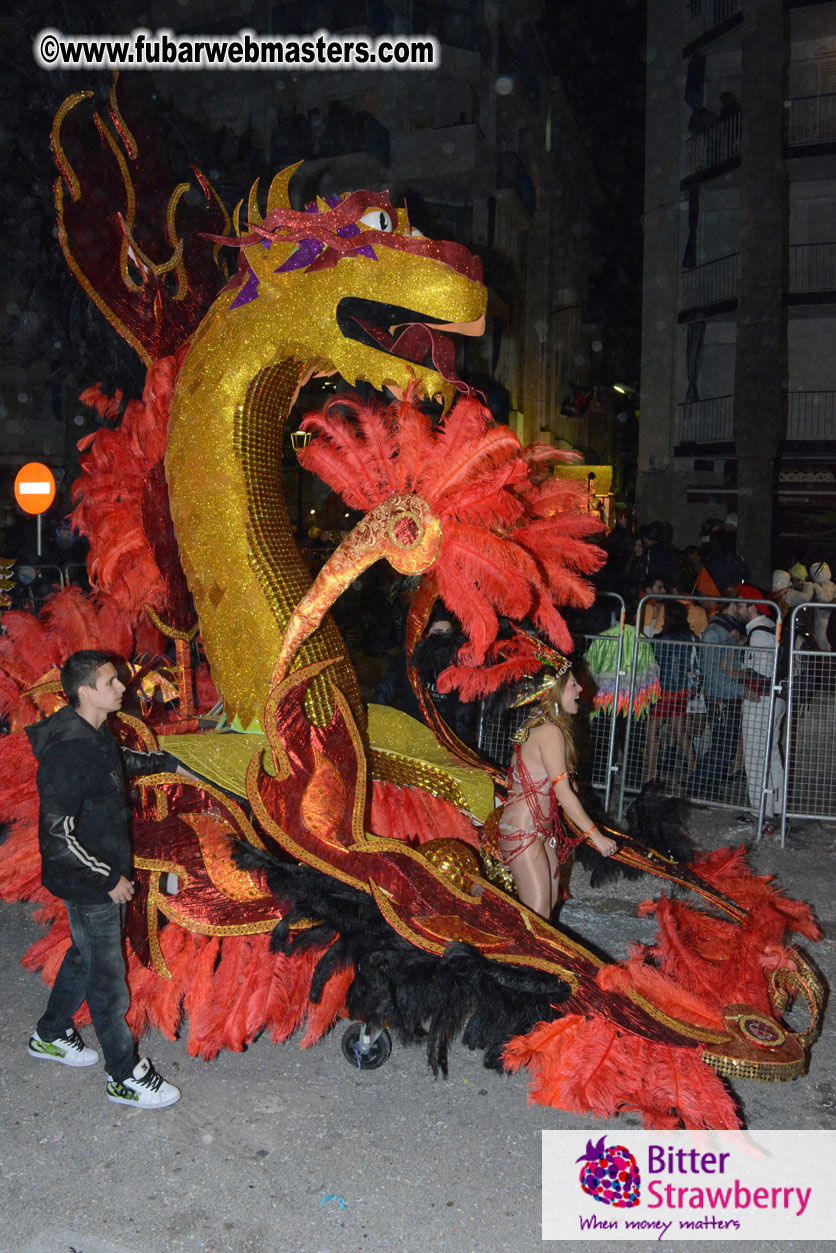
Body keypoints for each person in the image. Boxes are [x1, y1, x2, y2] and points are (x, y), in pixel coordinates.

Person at [25, 649, 195, 1109]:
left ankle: (51, 1033)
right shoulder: (68, 753)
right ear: (85, 692)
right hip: (89, 880)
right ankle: (124, 1075)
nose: (122, 687)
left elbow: (118, 763)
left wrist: (167, 765)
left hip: (97, 873)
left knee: (85, 957)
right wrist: (106, 878)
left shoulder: (92, 733)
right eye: (111, 682)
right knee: (107, 978)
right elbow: (57, 836)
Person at [497, 654, 617, 918]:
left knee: (548, 906)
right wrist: (595, 836)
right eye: (574, 684)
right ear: (557, 690)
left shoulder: (542, 725)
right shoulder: (550, 731)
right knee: (537, 916)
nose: (581, 689)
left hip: (539, 833)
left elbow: (559, 785)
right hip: (523, 834)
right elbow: (563, 793)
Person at [729, 588, 785, 835]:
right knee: (771, 753)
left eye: (741, 605)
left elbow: (763, 672)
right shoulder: (768, 629)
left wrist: (734, 674)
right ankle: (776, 807)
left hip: (761, 700)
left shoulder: (760, 634)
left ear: (753, 607)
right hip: (776, 700)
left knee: (754, 754)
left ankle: (760, 810)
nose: (737, 608)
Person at [688, 601, 745, 801]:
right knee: (723, 746)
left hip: (727, 695)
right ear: (732, 605)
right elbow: (712, 672)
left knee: (724, 745)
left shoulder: (727, 631)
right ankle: (700, 787)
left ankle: (703, 786)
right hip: (721, 697)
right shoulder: (714, 632)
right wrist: (740, 689)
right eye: (741, 605)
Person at [644, 600, 699, 784]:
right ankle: (693, 769)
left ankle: (652, 771)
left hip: (666, 691)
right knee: (680, 730)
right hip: (684, 690)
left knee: (652, 729)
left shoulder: (662, 640)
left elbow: (657, 666)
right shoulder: (692, 638)